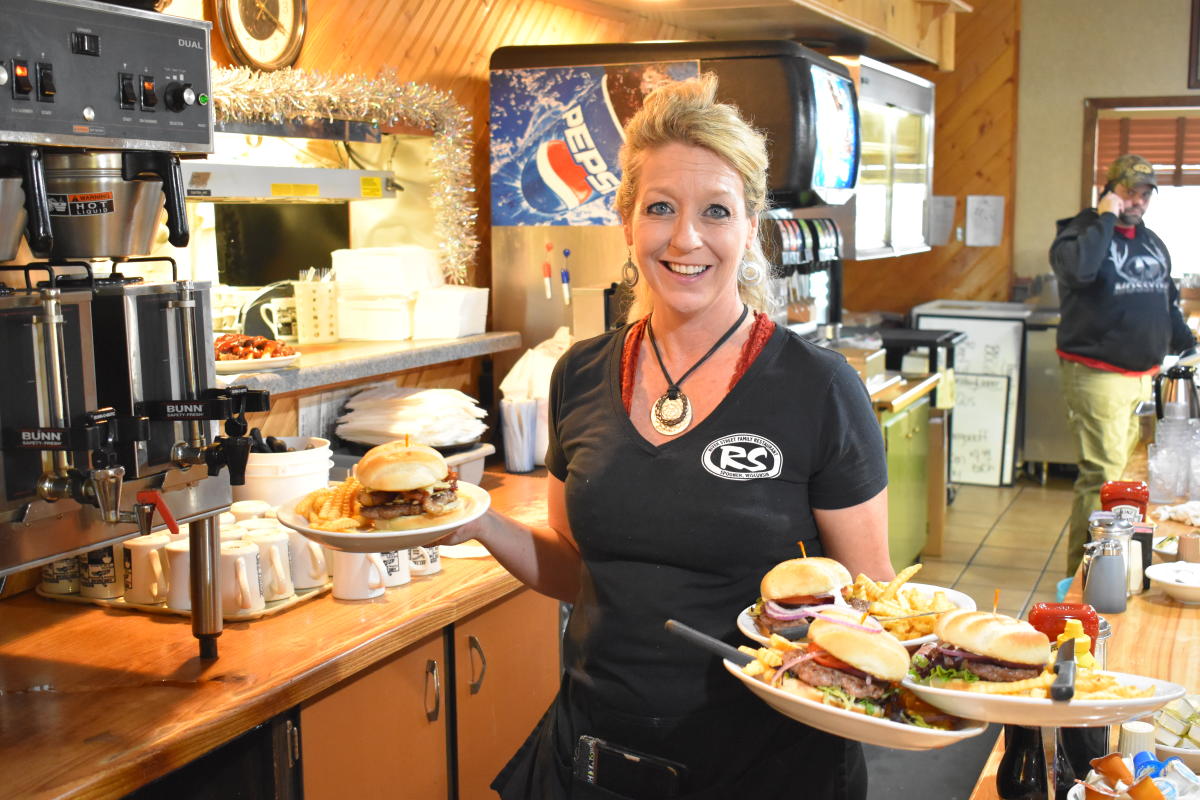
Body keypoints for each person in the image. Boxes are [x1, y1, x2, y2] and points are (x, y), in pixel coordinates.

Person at [444, 74, 893, 799]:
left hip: (768, 771)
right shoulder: (580, 374)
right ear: (626, 222)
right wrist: (477, 520)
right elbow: (575, 570)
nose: (686, 238)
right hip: (596, 761)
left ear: (750, 227)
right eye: (660, 208)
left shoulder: (819, 390)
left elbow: (871, 604)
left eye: (716, 211)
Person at [1050, 153, 1194, 576]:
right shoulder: (1078, 236)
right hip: (1097, 374)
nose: (1139, 200)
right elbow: (1081, 273)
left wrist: (1185, 344)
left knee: (1131, 476)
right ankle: (1085, 575)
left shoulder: (1151, 241)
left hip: (1144, 376)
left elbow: (1166, 301)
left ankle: (1119, 566)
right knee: (1106, 478)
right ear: (1109, 190)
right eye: (1130, 191)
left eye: (1145, 193)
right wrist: (1105, 218)